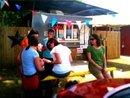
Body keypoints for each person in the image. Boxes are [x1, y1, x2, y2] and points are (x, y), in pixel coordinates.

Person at [20, 29, 45, 98]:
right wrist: (43, 65)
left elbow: (28, 60)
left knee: (28, 93)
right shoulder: (34, 52)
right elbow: (39, 69)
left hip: (25, 75)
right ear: (36, 44)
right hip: (32, 78)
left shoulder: (24, 50)